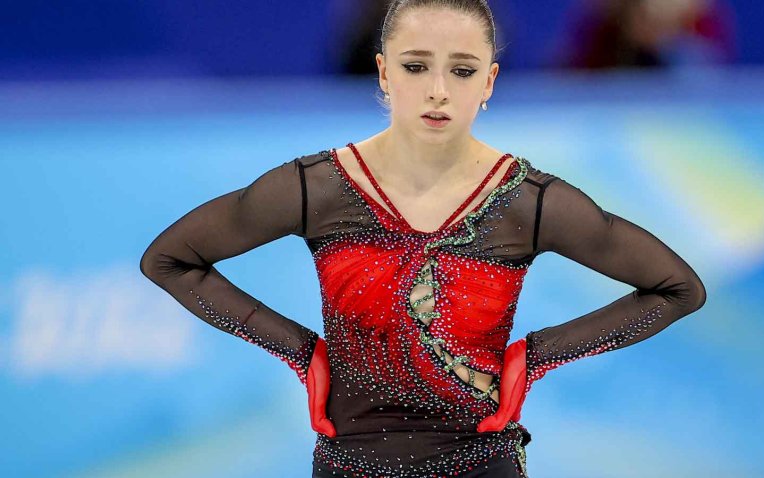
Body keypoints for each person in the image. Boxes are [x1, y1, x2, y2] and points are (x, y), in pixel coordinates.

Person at [139, 0, 708, 476]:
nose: (438, 90)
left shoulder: (528, 200)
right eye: (416, 67)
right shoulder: (318, 188)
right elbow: (169, 259)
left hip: (481, 464)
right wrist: (299, 351)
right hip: (350, 466)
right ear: (383, 73)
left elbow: (678, 288)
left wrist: (535, 357)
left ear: (489, 82)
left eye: (461, 71)